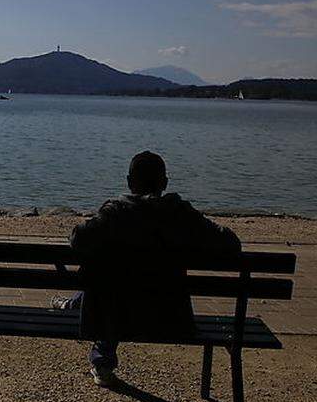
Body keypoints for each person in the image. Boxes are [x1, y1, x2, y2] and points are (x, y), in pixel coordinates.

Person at [60, 151, 240, 387]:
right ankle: (73, 303)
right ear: (164, 183)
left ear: (128, 182)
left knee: (105, 273)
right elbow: (231, 243)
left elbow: (78, 239)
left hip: (116, 317)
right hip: (170, 318)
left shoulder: (115, 214)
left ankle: (97, 350)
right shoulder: (181, 215)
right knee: (111, 278)